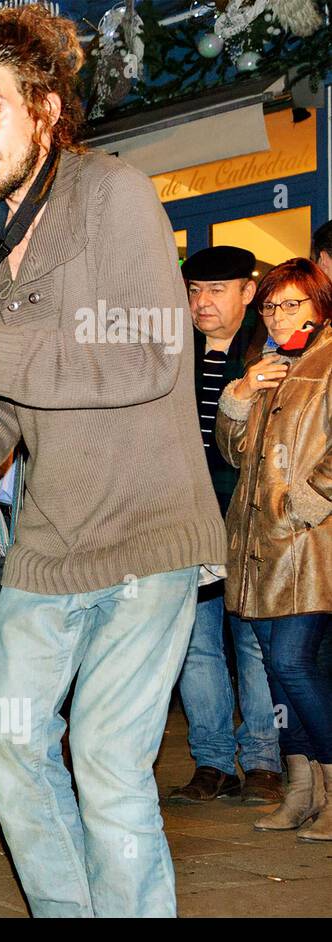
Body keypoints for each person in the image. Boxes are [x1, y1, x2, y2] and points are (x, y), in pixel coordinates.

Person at [0, 6, 226, 916]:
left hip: (147, 531)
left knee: (105, 759)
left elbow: (150, 356)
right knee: (10, 746)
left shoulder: (114, 195)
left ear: (45, 106)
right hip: (50, 540)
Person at [216, 257, 332, 841]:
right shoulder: (266, 364)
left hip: (311, 546)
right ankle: (302, 789)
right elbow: (234, 454)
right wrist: (240, 393)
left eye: (292, 303)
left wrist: (308, 501)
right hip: (256, 545)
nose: (279, 315)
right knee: (276, 676)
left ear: (318, 304)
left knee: (292, 662)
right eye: (269, 306)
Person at [169, 247, 280, 806]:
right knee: (195, 643)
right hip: (186, 515)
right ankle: (213, 762)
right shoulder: (172, 352)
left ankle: (263, 759)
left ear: (248, 291)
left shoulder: (268, 351)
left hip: (249, 513)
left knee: (255, 639)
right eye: (194, 291)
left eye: (216, 290)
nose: (202, 303)